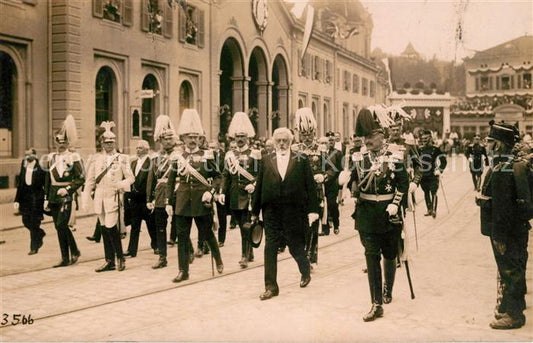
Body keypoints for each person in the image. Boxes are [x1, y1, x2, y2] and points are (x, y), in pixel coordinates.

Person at [348, 107, 414, 321]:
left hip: (388, 214)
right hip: (366, 214)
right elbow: (354, 181)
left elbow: (403, 184)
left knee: (389, 254)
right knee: (371, 256)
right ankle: (376, 303)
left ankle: (388, 289)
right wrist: (352, 189)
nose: (366, 141)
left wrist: (396, 203)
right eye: (364, 137)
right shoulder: (358, 157)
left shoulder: (395, 156)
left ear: (381, 135)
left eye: (370, 137)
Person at [251, 127, 319, 300]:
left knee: (295, 245)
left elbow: (310, 186)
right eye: (279, 140)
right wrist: (255, 211)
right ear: (274, 142)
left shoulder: (301, 159)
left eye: (285, 140)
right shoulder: (266, 160)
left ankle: (305, 271)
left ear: (291, 141)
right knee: (270, 247)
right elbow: (259, 186)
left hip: (293, 210)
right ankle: (271, 287)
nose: (282, 143)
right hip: (271, 211)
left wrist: (313, 210)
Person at [477, 120, 531, 329]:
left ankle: (514, 315)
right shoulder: (518, 166)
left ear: (498, 145)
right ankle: (512, 306)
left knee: (509, 270)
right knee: (515, 267)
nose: (487, 146)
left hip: (505, 231)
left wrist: (498, 236)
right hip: (518, 227)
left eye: (490, 142)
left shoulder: (502, 170)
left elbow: (502, 209)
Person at [168, 109, 224, 282]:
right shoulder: (178, 156)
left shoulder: (207, 155)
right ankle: (183, 271)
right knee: (182, 237)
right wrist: (169, 202)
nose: (192, 140)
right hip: (183, 201)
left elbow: (218, 176)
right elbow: (171, 180)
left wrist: (211, 192)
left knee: (207, 233)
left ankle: (218, 259)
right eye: (189, 137)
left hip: (202, 200)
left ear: (200, 138)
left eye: (195, 137)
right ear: (183, 138)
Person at [83, 121, 134, 272]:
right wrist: (85, 198)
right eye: (106, 143)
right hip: (100, 198)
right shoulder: (95, 159)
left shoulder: (122, 158)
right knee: (104, 229)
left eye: (112, 143)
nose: (109, 146)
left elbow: (131, 178)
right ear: (102, 144)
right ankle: (109, 260)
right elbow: (90, 180)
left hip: (113, 197)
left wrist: (121, 184)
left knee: (112, 228)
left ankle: (120, 257)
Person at [222, 112, 261, 268]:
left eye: (242, 136)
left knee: (246, 226)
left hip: (248, 195)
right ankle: (250, 251)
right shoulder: (229, 155)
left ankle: (244, 256)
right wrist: (221, 192)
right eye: (237, 136)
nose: (239, 139)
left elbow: (260, 174)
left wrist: (255, 184)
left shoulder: (254, 154)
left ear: (248, 138)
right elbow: (226, 175)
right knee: (241, 225)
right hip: (234, 194)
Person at [43, 115, 84, 267]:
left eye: (64, 142)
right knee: (59, 227)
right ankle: (68, 255)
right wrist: (46, 197)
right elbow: (47, 179)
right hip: (53, 196)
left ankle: (72, 252)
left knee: (61, 225)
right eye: (59, 142)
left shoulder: (73, 156)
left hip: (66, 196)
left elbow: (81, 178)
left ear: (68, 142)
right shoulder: (51, 157)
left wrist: (68, 189)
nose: (61, 145)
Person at [147, 115, 176, 269]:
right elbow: (151, 179)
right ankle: (162, 257)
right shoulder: (155, 158)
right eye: (164, 139)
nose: (168, 141)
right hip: (159, 193)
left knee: (180, 223)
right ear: (159, 140)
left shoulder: (178, 156)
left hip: (176, 192)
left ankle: (189, 249)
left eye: (170, 138)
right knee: (160, 226)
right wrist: (149, 198)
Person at [124, 140, 156, 257]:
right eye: (137, 148)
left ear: (146, 149)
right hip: (135, 199)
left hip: (145, 198)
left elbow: (152, 181)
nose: (137, 150)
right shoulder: (133, 163)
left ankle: (156, 245)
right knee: (134, 225)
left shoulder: (151, 162)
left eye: (140, 148)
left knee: (151, 224)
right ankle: (132, 250)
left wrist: (151, 198)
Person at [14, 148, 46, 255]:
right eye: (25, 155)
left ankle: (34, 247)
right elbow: (20, 184)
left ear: (35, 155)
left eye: (29, 155)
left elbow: (45, 184)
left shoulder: (40, 167)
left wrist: (46, 199)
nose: (27, 157)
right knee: (25, 221)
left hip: (36, 198)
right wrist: (17, 200)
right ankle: (40, 233)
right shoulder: (24, 164)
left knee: (34, 223)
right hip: (25, 198)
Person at [417, 129, 447, 218]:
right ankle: (429, 209)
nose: (424, 140)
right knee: (426, 192)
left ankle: (434, 210)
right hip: (423, 174)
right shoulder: (420, 150)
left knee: (433, 192)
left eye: (426, 138)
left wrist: (440, 170)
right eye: (423, 139)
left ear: (430, 138)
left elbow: (443, 161)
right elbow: (415, 161)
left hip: (433, 174)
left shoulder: (436, 149)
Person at [325, 131, 342, 235]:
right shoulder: (320, 152)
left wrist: (340, 184)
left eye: (332, 140)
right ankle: (325, 226)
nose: (330, 142)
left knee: (332, 204)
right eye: (328, 141)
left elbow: (340, 168)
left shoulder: (337, 153)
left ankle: (336, 224)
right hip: (322, 182)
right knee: (323, 205)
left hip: (333, 183)